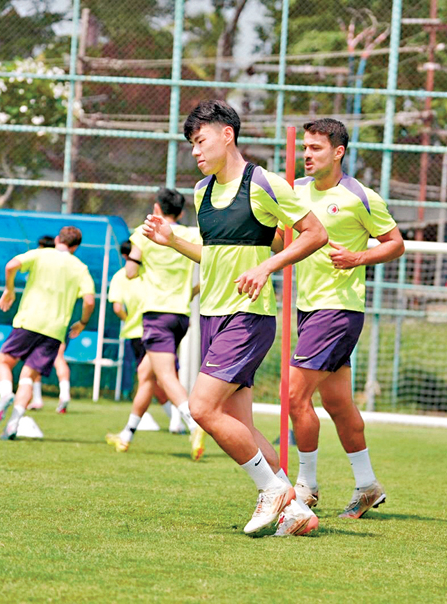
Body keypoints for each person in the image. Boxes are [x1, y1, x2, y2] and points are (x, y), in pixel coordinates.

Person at [140, 99, 328, 535]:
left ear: (227, 135)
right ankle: (296, 511)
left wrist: (268, 266)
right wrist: (173, 241)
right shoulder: (202, 191)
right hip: (212, 315)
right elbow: (215, 255)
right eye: (191, 144)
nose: (195, 151)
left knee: (201, 408)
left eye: (200, 140)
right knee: (240, 424)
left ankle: (271, 490)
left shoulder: (263, 183)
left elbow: (315, 234)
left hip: (248, 316)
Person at [278, 118, 403, 525]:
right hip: (308, 307)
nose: (307, 154)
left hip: (338, 309)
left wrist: (356, 257)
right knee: (337, 403)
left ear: (338, 152)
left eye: (315, 148)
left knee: (294, 395)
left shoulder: (359, 197)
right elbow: (284, 241)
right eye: (304, 147)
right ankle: (367, 485)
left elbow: (395, 244)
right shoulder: (295, 190)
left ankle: (305, 487)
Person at [0, 226, 96, 440]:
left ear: (57, 239)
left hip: (29, 321)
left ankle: (5, 394)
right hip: (55, 331)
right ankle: (13, 423)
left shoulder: (41, 254)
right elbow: (89, 300)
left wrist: (9, 289)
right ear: (75, 247)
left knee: (4, 362)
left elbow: (11, 265)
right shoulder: (80, 268)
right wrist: (82, 322)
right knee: (28, 378)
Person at [125, 188, 205, 459]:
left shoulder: (144, 231)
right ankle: (126, 434)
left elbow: (130, 272)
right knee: (146, 374)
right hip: (180, 315)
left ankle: (193, 423)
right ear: (181, 213)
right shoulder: (191, 234)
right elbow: (208, 262)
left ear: (156, 208)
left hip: (156, 313)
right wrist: (191, 291)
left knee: (166, 376)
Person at [106, 240, 186, 452]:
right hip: (162, 326)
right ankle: (166, 423)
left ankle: (190, 421)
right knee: (155, 376)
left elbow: (117, 307)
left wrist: (129, 320)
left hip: (141, 332)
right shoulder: (154, 273)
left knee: (154, 378)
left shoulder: (122, 276)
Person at [27, 235, 74, 414]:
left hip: (38, 320)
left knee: (34, 358)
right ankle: (64, 394)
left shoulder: (40, 264)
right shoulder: (67, 266)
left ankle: (37, 398)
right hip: (60, 320)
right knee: (58, 357)